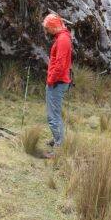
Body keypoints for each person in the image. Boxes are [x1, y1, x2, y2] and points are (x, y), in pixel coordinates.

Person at [42, 13, 72, 158]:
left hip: (57, 82)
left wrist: (50, 81)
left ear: (54, 27)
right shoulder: (62, 38)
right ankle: (57, 140)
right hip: (59, 81)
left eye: (47, 28)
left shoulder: (62, 40)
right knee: (55, 113)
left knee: (53, 116)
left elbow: (59, 65)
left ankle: (59, 146)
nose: (46, 31)